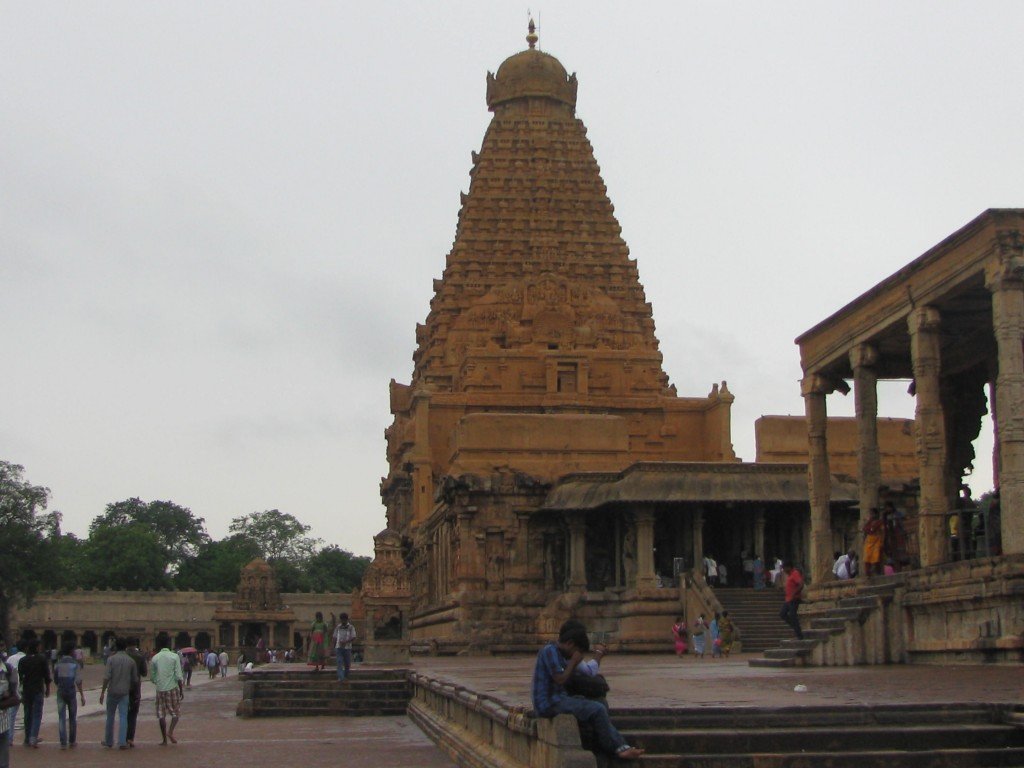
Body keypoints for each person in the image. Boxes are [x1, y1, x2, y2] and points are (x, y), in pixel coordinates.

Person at [531, 622, 643, 760]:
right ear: (570, 643)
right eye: (577, 651)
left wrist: (596, 656)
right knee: (597, 709)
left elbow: (587, 671)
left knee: (597, 705)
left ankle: (614, 745)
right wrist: (572, 662)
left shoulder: (560, 653)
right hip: (549, 703)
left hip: (558, 699)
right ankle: (618, 748)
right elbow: (559, 678)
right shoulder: (550, 651)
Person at [99, 637, 138, 749]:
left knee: (110, 716)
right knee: (123, 716)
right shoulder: (131, 661)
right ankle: (122, 741)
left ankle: (109, 740)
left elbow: (106, 677)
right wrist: (131, 690)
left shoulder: (111, 659)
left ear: (116, 647)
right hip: (124, 692)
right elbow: (135, 679)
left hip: (112, 690)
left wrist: (102, 692)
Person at [149, 634, 184, 746]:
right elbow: (179, 675)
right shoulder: (174, 657)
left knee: (161, 714)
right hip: (172, 687)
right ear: (169, 644)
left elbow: (153, 676)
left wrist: (158, 682)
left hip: (160, 689)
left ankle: (164, 739)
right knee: (176, 713)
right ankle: (170, 731)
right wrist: (181, 690)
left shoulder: (155, 658)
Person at [17, 639, 50, 748]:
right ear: (36, 647)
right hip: (37, 689)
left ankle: (27, 738)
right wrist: (48, 688)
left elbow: (20, 677)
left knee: (27, 714)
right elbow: (46, 675)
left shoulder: (23, 660)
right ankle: (33, 737)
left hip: (26, 690)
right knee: (37, 714)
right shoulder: (41, 659)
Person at [54, 642, 84, 749]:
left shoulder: (58, 663)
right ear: (71, 651)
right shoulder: (75, 664)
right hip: (71, 691)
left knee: (61, 718)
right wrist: (82, 695)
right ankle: (72, 740)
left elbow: (56, 679)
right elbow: (78, 681)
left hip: (61, 691)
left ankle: (63, 742)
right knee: (72, 717)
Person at [125, 638, 148, 748]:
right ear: (135, 645)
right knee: (133, 714)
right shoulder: (140, 656)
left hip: (122, 686)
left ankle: (122, 737)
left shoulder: (122, 655)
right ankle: (130, 738)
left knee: (123, 713)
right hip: (135, 687)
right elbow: (144, 673)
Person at [779, 561, 804, 640]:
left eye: (784, 568)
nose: (784, 570)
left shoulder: (795, 573)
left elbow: (801, 584)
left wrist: (795, 593)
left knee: (793, 616)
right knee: (782, 614)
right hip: (788, 599)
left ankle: (799, 635)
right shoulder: (790, 575)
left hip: (794, 599)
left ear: (788, 567)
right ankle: (796, 627)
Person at [5, 647, 24, 747]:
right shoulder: (25, 657)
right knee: (29, 713)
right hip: (24, 689)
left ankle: (9, 738)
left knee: (11, 716)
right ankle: (30, 737)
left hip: (13, 690)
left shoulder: (10, 659)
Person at [332, 613, 357, 682]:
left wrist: (346, 641)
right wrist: (333, 646)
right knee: (339, 662)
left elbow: (353, 637)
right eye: (342, 620)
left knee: (347, 663)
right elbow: (334, 637)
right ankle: (341, 677)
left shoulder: (351, 627)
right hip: (339, 647)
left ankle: (345, 676)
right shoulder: (338, 627)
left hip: (347, 648)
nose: (343, 621)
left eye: (344, 620)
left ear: (347, 619)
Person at [863, 508, 885, 576]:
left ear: (876, 514)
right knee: (867, 558)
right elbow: (865, 529)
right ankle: (868, 573)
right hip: (869, 541)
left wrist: (882, 541)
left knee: (876, 558)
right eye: (870, 514)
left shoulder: (880, 522)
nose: (871, 515)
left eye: (872, 513)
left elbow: (882, 531)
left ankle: (877, 572)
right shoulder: (869, 522)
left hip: (877, 541)